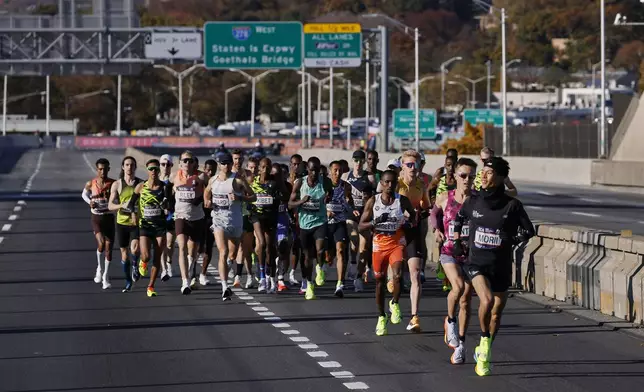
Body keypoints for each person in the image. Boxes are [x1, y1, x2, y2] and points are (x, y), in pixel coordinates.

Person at [452, 156, 535, 376]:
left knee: (496, 313)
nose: (483, 176)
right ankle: (484, 343)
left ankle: (483, 349)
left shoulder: (512, 205)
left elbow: (529, 231)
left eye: (488, 173)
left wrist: (510, 241)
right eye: (483, 172)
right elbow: (458, 219)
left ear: (500, 178)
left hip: (501, 264)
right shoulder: (472, 201)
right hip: (476, 262)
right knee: (486, 300)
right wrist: (457, 242)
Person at [430, 157, 477, 364]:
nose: (467, 180)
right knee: (457, 287)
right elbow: (433, 213)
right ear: (456, 176)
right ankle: (450, 321)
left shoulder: (478, 200)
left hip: (472, 255)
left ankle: (461, 345)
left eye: (471, 176)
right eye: (464, 176)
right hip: (449, 251)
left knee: (466, 300)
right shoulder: (445, 197)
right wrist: (436, 229)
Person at [359, 170, 416, 336]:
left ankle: (395, 303)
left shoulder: (402, 201)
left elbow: (413, 216)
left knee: (397, 276)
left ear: (396, 184)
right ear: (381, 184)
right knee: (379, 282)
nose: (390, 186)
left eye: (393, 183)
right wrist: (374, 222)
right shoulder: (373, 201)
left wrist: (409, 222)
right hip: (379, 246)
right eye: (386, 182)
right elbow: (361, 226)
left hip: (396, 243)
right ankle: (381, 316)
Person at [205, 151, 255, 301]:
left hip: (235, 220)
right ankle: (225, 287)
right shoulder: (213, 180)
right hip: (219, 219)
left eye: (228, 163)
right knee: (223, 251)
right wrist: (207, 202)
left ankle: (227, 267)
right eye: (223, 163)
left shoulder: (238, 180)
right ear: (219, 165)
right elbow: (206, 193)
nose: (226, 166)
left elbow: (254, 197)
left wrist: (240, 197)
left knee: (231, 255)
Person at [288, 156, 333, 300]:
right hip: (304, 224)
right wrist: (301, 201)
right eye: (312, 170)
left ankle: (320, 268)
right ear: (307, 169)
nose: (314, 173)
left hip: (320, 221)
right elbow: (290, 204)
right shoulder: (300, 183)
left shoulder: (324, 181)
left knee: (320, 250)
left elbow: (330, 192)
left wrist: (328, 198)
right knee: (307, 257)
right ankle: (309, 284)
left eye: (317, 170)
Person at [396, 150, 431, 332]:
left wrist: (422, 212)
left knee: (415, 274)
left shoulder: (420, 185)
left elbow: (426, 207)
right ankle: (394, 303)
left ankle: (414, 317)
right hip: (395, 233)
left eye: (415, 165)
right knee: (395, 276)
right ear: (402, 166)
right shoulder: (395, 183)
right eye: (408, 164)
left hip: (413, 231)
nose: (412, 168)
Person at [131, 159, 171, 297]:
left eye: (156, 169)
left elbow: (170, 204)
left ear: (159, 171)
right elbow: (131, 203)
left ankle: (151, 286)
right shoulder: (141, 187)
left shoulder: (164, 187)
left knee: (157, 256)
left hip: (160, 226)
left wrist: (166, 206)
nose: (153, 171)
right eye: (151, 169)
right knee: (147, 255)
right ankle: (143, 261)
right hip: (145, 225)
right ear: (147, 170)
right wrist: (133, 214)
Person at [249, 157, 287, 293]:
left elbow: (285, 195)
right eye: (264, 167)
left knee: (270, 248)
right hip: (256, 216)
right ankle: (262, 278)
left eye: (269, 167)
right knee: (262, 243)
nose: (266, 170)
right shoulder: (253, 181)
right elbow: (246, 194)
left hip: (271, 216)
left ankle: (271, 277)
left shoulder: (274, 182)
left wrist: (279, 187)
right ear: (259, 168)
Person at [173, 150, 209, 294]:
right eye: (185, 161)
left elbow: (211, 188)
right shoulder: (174, 176)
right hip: (181, 216)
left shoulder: (201, 176)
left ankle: (189, 272)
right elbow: (166, 187)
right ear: (180, 163)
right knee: (182, 246)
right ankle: (185, 282)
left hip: (197, 217)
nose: (187, 163)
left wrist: (203, 198)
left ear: (194, 163)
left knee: (192, 252)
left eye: (190, 161)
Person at [342, 150, 376, 291]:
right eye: (355, 160)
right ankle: (353, 262)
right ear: (352, 161)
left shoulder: (370, 178)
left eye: (360, 161)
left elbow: (377, 196)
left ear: (364, 162)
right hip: (350, 214)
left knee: (364, 246)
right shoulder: (345, 176)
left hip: (365, 215)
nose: (358, 163)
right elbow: (342, 197)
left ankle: (358, 278)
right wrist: (350, 209)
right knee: (354, 240)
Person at [108, 156, 142, 293]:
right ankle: (128, 281)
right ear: (123, 167)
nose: (129, 167)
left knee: (134, 249)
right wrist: (122, 205)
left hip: (135, 221)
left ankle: (135, 265)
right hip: (121, 222)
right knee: (124, 254)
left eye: (132, 165)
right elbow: (110, 205)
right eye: (127, 165)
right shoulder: (117, 184)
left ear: (135, 167)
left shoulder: (140, 184)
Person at [82, 158, 115, 290]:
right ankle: (99, 269)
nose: (103, 171)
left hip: (109, 218)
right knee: (101, 243)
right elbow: (84, 194)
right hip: (97, 217)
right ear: (97, 169)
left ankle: (106, 276)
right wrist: (89, 201)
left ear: (109, 169)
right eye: (100, 169)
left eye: (105, 169)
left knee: (109, 249)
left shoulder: (113, 183)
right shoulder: (91, 183)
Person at [326, 160, 359, 298]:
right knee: (327, 255)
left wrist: (353, 209)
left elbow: (349, 201)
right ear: (330, 171)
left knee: (341, 249)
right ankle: (323, 263)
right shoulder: (324, 185)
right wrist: (326, 211)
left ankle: (340, 284)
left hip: (340, 221)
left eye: (340, 170)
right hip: (325, 223)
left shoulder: (346, 186)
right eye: (335, 170)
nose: (338, 173)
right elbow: (318, 201)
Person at [271, 163, 293, 292]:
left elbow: (291, 202)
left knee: (283, 248)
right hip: (268, 222)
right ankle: (266, 275)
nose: (278, 176)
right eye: (275, 174)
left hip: (283, 222)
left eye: (281, 174)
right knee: (267, 250)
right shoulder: (267, 185)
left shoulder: (288, 186)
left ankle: (280, 278)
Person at [198, 159, 217, 286]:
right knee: (197, 247)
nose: (210, 172)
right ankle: (191, 273)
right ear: (204, 169)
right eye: (208, 170)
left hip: (212, 218)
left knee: (208, 247)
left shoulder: (218, 183)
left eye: (212, 170)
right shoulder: (198, 183)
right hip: (198, 217)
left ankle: (203, 274)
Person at [159, 154, 175, 281]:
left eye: (168, 164)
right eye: (163, 164)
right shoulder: (154, 180)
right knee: (161, 243)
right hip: (158, 217)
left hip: (171, 215)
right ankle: (163, 270)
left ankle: (169, 262)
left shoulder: (174, 179)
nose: (165, 167)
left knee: (169, 243)